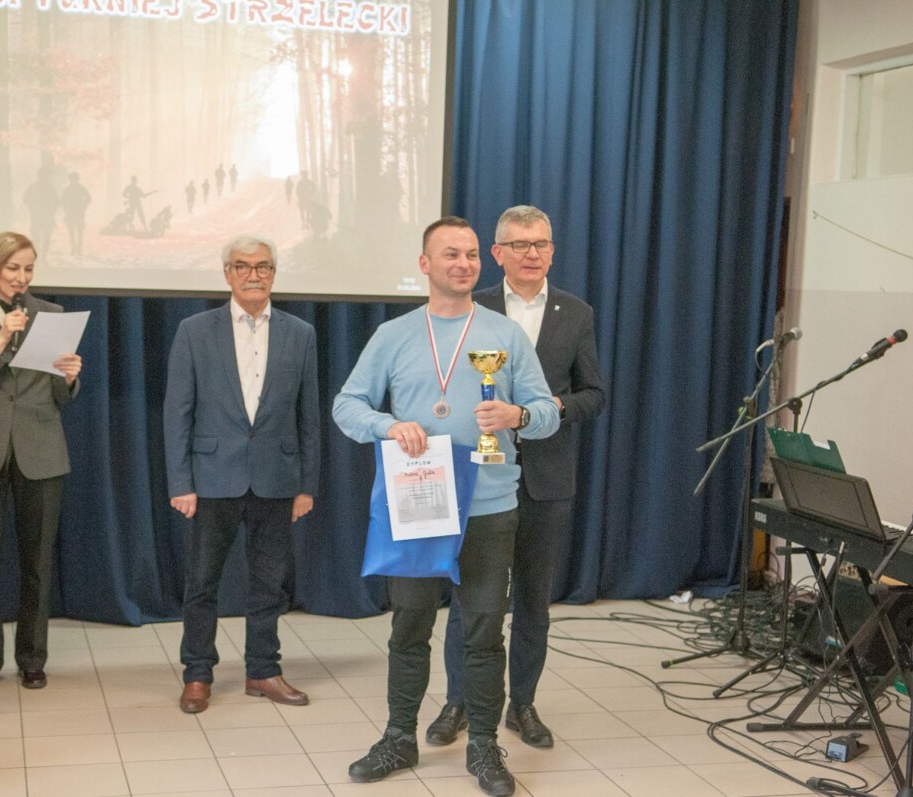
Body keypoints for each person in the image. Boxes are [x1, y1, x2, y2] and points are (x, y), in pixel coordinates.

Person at [332, 216, 559, 797]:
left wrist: (517, 415)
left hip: (488, 505)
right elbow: (347, 405)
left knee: (483, 631)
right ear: (425, 265)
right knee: (409, 626)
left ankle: (483, 744)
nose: (463, 264)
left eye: (472, 254)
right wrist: (388, 426)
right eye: (451, 254)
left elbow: (547, 412)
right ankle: (398, 737)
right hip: (419, 504)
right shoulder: (393, 335)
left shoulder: (506, 335)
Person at [427, 206, 605, 751]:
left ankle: (522, 703)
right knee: (470, 598)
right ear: (497, 253)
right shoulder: (472, 306)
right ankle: (458, 701)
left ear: (552, 251)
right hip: (481, 477)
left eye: (541, 244)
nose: (532, 254)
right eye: (520, 244)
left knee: (532, 601)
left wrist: (545, 410)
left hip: (546, 480)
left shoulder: (576, 312)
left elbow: (593, 395)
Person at [164, 234, 320, 714]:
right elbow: (177, 413)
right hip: (212, 477)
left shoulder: (300, 333)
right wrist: (180, 483)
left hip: (277, 477)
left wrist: (307, 485)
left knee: (268, 584)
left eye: (263, 266)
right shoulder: (194, 330)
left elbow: (309, 416)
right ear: (227, 273)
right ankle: (197, 674)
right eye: (243, 266)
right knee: (202, 583)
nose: (254, 275)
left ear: (273, 273)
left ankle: (263, 670)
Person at [0, 231, 82, 693]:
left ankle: (32, 658)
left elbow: (59, 393)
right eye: (13, 268)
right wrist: (2, 337)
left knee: (37, 564)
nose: (21, 277)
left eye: (28, 268)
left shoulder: (52, 314)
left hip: (40, 448)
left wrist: (70, 377)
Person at [60, 172, 92, 256]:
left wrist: (83, 205)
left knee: (77, 231)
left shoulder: (72, 189)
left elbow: (88, 198)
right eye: (72, 179)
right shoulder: (78, 188)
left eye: (74, 178)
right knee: (75, 231)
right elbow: (63, 200)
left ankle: (77, 248)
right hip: (74, 212)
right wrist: (83, 205)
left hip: (76, 212)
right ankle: (75, 247)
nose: (73, 180)